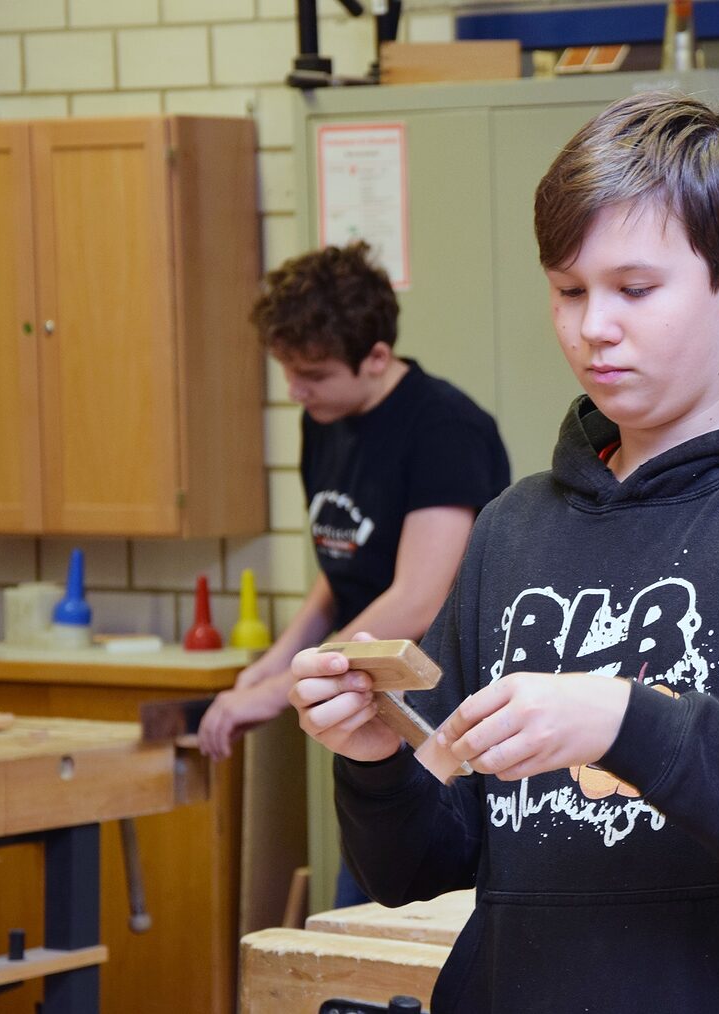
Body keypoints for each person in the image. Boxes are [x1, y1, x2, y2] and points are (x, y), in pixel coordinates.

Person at [288, 93, 719, 1012]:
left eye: (635, 290)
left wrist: (634, 727)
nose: (592, 326)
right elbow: (418, 864)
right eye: (569, 289)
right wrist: (370, 757)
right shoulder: (514, 530)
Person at [198, 241, 510, 901]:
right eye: (286, 370)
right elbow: (341, 562)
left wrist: (280, 687)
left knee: (398, 906)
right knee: (360, 892)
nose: (295, 389)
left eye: (311, 373)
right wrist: (276, 659)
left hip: (436, 712)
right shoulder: (327, 416)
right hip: (362, 700)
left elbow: (418, 597)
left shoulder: (445, 428)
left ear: (375, 358)